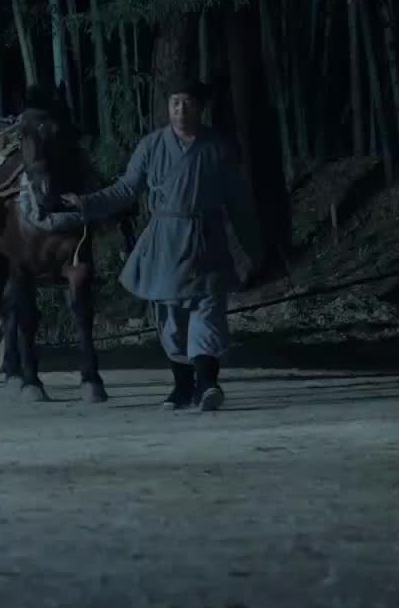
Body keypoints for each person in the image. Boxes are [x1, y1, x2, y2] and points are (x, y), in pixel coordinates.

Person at [63, 79, 263, 411]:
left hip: (205, 238)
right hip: (165, 241)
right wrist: (87, 203)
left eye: (187, 103)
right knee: (171, 318)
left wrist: (253, 247)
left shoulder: (218, 148)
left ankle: (208, 383)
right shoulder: (152, 146)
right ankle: (183, 387)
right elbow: (126, 189)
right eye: (174, 103)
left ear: (200, 107)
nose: (180, 110)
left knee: (208, 312)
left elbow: (238, 202)